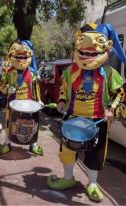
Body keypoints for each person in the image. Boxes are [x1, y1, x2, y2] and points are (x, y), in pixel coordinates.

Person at [47, 23, 126, 202]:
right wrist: (61, 102)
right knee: (67, 150)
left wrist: (112, 109)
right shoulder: (70, 71)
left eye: (93, 52)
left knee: (95, 154)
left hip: (97, 121)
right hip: (73, 118)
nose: (88, 54)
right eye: (84, 51)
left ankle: (92, 183)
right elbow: (64, 89)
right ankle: (68, 178)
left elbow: (119, 93)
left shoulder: (109, 73)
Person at [0, 39, 44, 156]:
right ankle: (7, 143)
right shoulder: (8, 72)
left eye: (24, 57)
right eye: (18, 57)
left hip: (29, 103)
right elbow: (1, 85)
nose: (21, 60)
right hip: (12, 103)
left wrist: (38, 100)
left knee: (32, 123)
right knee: (9, 123)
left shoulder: (32, 73)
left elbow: (35, 88)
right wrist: (7, 88)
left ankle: (32, 144)